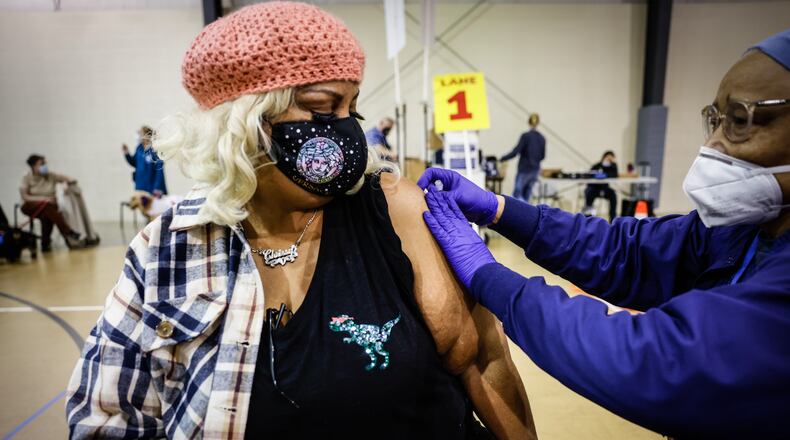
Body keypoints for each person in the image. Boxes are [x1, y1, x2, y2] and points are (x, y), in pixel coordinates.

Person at [65, 3, 535, 439]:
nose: (347, 129)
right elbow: (106, 416)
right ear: (246, 120)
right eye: (324, 108)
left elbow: (484, 360)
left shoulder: (398, 211)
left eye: (352, 108)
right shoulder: (168, 246)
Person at [418, 28, 790, 439]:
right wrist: (503, 210)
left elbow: (659, 360)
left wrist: (489, 276)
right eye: (714, 120)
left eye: (739, 120)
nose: (714, 145)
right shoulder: (746, 229)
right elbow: (626, 252)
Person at [19, 154, 85, 251]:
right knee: (49, 207)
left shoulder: (51, 175)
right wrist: (43, 199)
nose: (44, 166)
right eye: (41, 164)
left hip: (48, 206)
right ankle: (68, 232)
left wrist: (66, 184)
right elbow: (25, 197)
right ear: (33, 166)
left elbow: (71, 179)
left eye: (45, 163)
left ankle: (45, 244)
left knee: (46, 216)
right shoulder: (26, 178)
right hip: (31, 205)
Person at [500, 113, 545, 202]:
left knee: (517, 195)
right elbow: (542, 156)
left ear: (529, 122)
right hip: (535, 170)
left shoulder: (525, 136)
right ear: (538, 123)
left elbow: (516, 152)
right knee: (527, 195)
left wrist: (504, 158)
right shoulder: (542, 138)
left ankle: (518, 211)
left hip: (524, 169)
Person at [122, 125, 167, 196]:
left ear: (146, 135)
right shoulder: (139, 148)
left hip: (152, 188)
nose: (138, 135)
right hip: (140, 186)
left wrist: (157, 187)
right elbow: (135, 163)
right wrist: (127, 154)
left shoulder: (155, 149)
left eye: (140, 133)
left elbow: (159, 170)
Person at [582, 150, 619, 221]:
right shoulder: (597, 165)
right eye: (607, 158)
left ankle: (613, 218)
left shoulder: (613, 166)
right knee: (588, 192)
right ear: (604, 157)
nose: (609, 160)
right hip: (594, 188)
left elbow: (615, 175)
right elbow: (589, 174)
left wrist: (607, 173)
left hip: (605, 188)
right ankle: (587, 217)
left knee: (613, 194)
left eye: (611, 159)